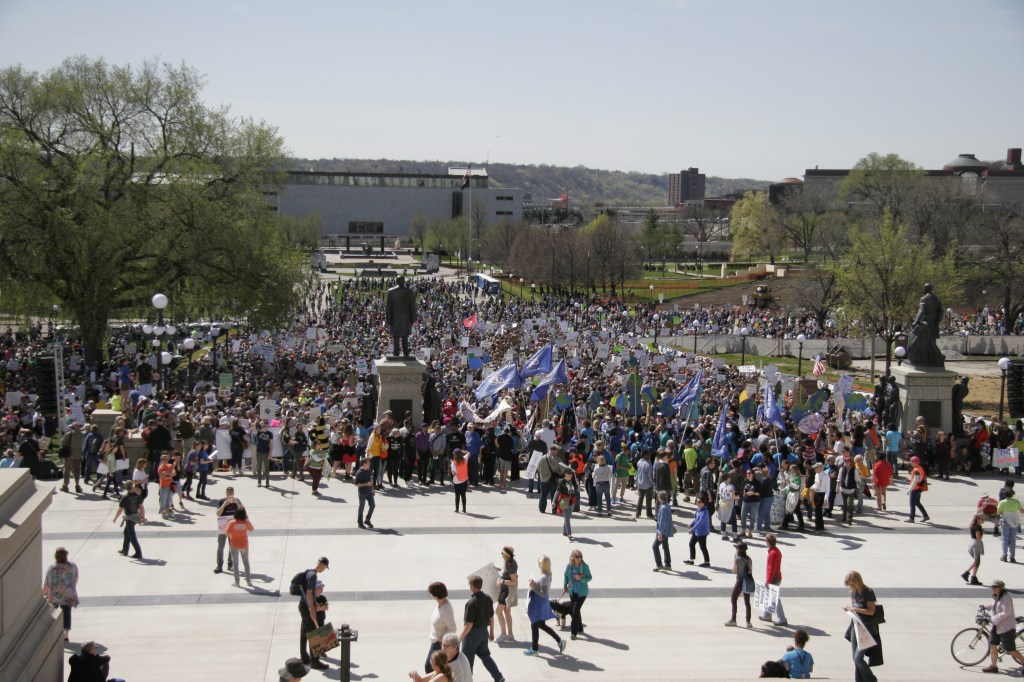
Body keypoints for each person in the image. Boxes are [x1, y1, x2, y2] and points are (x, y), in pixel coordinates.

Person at [459, 575, 505, 682]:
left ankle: (467, 679)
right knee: (485, 656)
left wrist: (460, 638)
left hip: (471, 636)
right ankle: (498, 677)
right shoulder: (488, 598)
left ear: (472, 586)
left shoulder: (471, 603)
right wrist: (491, 632)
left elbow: (468, 625)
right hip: (484, 632)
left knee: (467, 661)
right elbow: (491, 618)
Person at [524, 555, 566, 656]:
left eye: (539, 564)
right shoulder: (547, 575)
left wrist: (533, 587)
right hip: (540, 604)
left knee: (535, 625)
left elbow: (543, 593)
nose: (538, 565)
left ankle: (535, 649)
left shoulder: (544, 577)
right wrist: (534, 585)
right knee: (541, 625)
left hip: (538, 605)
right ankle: (559, 640)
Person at [843, 570, 881, 682]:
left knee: (858, 658)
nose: (850, 587)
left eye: (851, 584)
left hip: (867, 629)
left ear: (857, 582)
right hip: (856, 627)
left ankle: (871, 679)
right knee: (855, 659)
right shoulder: (853, 592)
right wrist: (850, 610)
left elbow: (871, 611)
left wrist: (854, 609)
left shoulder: (868, 592)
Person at [983, 579, 1024, 673]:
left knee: (1010, 650)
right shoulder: (997, 596)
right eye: (992, 587)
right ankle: (993, 666)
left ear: (1000, 588)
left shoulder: (1006, 598)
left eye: (994, 587)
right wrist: (985, 607)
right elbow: (992, 604)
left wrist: (994, 618)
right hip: (996, 626)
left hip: (1007, 628)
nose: (992, 588)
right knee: (992, 645)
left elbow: (1006, 612)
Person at [298, 558, 330, 670]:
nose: (324, 570)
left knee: (304, 633)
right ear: (322, 565)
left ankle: (304, 656)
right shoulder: (313, 575)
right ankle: (314, 661)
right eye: (325, 567)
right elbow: (309, 593)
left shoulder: (308, 572)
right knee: (314, 634)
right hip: (307, 607)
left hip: (303, 606)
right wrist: (312, 610)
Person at [42, 546, 79, 642]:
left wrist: (44, 593)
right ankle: (65, 635)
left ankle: (51, 631)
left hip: (55, 594)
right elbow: (75, 579)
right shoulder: (72, 566)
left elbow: (47, 582)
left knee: (52, 611)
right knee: (67, 612)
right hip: (68, 593)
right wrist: (70, 588)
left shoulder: (52, 568)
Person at [424, 582, 456, 674]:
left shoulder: (446, 609)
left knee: (429, 667)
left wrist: (442, 639)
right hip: (435, 641)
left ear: (435, 594)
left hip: (440, 644)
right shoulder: (440, 603)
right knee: (432, 668)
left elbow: (452, 628)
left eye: (431, 593)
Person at [757, 533, 787, 626]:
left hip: (773, 579)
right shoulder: (776, 551)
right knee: (770, 597)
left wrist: (768, 581)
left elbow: (771, 569)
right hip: (777, 577)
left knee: (775, 599)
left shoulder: (772, 553)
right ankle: (767, 615)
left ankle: (782, 619)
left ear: (768, 542)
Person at [562, 549, 592, 641]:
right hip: (572, 592)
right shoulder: (570, 566)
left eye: (580, 556)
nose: (579, 558)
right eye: (577, 556)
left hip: (582, 593)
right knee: (577, 610)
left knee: (575, 611)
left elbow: (589, 577)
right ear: (573, 557)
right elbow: (566, 576)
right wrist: (565, 585)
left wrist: (581, 579)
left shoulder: (584, 566)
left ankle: (573, 633)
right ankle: (580, 628)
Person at [386, 274, 417, 357]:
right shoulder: (409, 292)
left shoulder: (391, 292)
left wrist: (388, 318)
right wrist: (413, 318)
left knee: (396, 336)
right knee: (405, 336)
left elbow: (388, 307)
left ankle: (396, 352)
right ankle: (406, 352)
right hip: (406, 317)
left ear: (396, 281)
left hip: (395, 317)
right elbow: (412, 307)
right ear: (403, 281)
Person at [724, 541, 754, 628]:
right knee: (747, 601)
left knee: (734, 599)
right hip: (747, 581)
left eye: (736, 548)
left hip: (739, 581)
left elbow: (733, 571)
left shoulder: (737, 559)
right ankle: (748, 621)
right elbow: (750, 571)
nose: (736, 549)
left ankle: (733, 619)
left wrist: (735, 560)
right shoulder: (749, 559)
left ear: (739, 550)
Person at [214, 487, 244, 574]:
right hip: (223, 527)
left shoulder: (236, 501)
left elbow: (242, 511)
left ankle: (230, 564)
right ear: (225, 493)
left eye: (231, 492)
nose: (229, 494)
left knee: (233, 547)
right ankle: (219, 565)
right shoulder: (221, 501)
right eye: (228, 492)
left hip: (233, 527)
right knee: (220, 547)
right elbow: (218, 513)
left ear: (233, 493)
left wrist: (237, 503)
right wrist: (224, 505)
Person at [112, 483, 143, 559]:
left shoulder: (125, 497)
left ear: (126, 488)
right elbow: (141, 507)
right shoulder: (137, 496)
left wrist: (115, 518)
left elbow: (120, 510)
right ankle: (125, 549)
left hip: (130, 518)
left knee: (132, 536)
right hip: (135, 517)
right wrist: (142, 516)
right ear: (132, 487)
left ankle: (138, 553)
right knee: (126, 532)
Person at [225, 508, 254, 587]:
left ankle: (237, 582)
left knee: (235, 563)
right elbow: (251, 529)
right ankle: (248, 581)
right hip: (244, 545)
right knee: (246, 563)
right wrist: (247, 518)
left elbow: (226, 534)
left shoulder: (232, 523)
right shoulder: (246, 522)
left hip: (234, 545)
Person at [495, 546, 518, 642]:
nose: (501, 554)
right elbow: (508, 573)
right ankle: (510, 635)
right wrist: (500, 569)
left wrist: (502, 581)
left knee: (498, 611)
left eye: (502, 553)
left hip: (506, 592)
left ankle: (503, 634)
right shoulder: (508, 563)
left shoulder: (511, 565)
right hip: (506, 590)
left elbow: (514, 581)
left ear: (507, 554)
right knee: (507, 613)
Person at [684, 496, 711, 567]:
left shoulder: (705, 512)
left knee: (703, 547)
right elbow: (696, 519)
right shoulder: (698, 510)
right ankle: (691, 560)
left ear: (703, 503)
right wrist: (691, 524)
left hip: (702, 533)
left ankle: (707, 561)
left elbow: (700, 522)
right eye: (697, 501)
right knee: (691, 544)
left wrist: (692, 529)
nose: (697, 503)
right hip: (696, 531)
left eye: (699, 502)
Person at [997, 487, 1022, 563]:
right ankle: (1012, 557)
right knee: (1013, 539)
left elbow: (998, 512)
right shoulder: (1016, 502)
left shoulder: (1002, 502)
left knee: (1005, 539)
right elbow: (1022, 511)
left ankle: (1004, 556)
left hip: (1005, 521)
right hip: (1014, 521)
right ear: (1012, 494)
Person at [652, 490, 675, 571]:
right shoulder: (667, 506)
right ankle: (668, 564)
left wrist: (660, 533)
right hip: (667, 531)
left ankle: (659, 564)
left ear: (660, 498)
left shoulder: (663, 508)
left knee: (655, 546)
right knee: (665, 547)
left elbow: (663, 522)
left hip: (663, 532)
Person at [963, 511, 986, 585]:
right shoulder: (978, 527)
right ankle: (971, 576)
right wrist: (982, 532)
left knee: (976, 561)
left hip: (972, 543)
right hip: (976, 544)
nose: (984, 520)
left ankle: (970, 575)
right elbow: (978, 538)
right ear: (978, 519)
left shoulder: (973, 525)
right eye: (982, 519)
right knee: (977, 561)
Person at [905, 455, 930, 523]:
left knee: (912, 503)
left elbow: (915, 481)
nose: (910, 463)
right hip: (920, 488)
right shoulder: (919, 468)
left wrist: (909, 490)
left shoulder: (916, 470)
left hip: (915, 488)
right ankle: (925, 516)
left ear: (915, 462)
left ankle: (911, 518)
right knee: (917, 502)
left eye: (911, 462)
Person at [556, 469, 578, 539]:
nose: (570, 475)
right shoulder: (561, 481)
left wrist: (577, 484)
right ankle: (569, 533)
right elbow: (557, 492)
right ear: (565, 474)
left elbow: (577, 490)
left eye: (571, 474)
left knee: (567, 518)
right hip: (564, 501)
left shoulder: (573, 481)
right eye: (568, 474)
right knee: (567, 518)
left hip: (572, 501)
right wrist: (553, 501)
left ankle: (564, 531)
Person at [355, 457, 376, 529]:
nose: (370, 463)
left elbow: (370, 479)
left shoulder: (369, 470)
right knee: (361, 507)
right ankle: (360, 523)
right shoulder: (359, 473)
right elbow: (357, 484)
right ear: (364, 464)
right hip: (362, 492)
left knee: (372, 505)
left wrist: (372, 489)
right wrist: (366, 484)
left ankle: (367, 520)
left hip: (369, 491)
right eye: (368, 462)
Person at [451, 448, 469, 513]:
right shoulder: (464, 459)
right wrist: (462, 451)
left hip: (457, 481)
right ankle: (464, 509)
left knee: (457, 495)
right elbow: (469, 453)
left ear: (455, 455)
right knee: (463, 495)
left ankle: (457, 509)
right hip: (465, 480)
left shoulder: (454, 462)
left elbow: (453, 473)